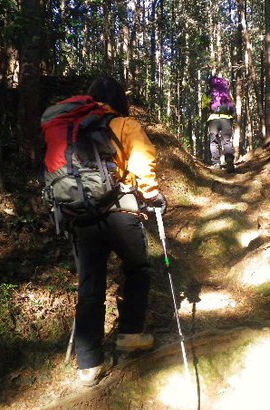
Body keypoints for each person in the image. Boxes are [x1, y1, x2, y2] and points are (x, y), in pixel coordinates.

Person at [63, 77, 166, 387]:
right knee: (137, 269)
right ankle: (130, 335)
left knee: (90, 284)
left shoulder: (73, 129)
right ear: (119, 98)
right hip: (121, 211)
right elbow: (142, 161)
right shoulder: (124, 124)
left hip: (82, 215)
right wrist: (152, 195)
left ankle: (89, 363)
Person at [206, 75, 236, 173]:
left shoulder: (209, 93)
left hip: (213, 119)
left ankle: (216, 163)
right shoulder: (227, 94)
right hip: (226, 119)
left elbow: (204, 106)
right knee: (227, 141)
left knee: (214, 141)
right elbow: (233, 108)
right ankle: (230, 162)